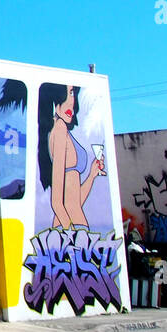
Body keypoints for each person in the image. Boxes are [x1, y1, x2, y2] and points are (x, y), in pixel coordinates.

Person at [37, 84, 105, 230]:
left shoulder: (62, 131)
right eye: (66, 93)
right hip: (70, 224)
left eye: (73, 93)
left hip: (72, 221)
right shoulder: (60, 130)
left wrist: (92, 175)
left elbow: (74, 199)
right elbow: (56, 202)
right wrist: (71, 234)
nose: (71, 101)